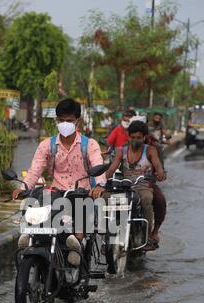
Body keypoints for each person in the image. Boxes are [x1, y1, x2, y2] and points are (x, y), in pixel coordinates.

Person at [13, 98, 106, 265]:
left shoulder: (89, 145)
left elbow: (98, 164)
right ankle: (29, 236)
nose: (65, 124)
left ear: (78, 121)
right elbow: (35, 169)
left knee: (81, 213)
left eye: (69, 120)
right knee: (40, 208)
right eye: (61, 120)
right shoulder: (47, 145)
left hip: (81, 193)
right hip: (56, 193)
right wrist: (23, 187)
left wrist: (99, 185)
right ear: (56, 120)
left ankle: (77, 247)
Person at [105, 120, 165, 250]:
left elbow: (158, 165)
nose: (135, 140)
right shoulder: (121, 151)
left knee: (149, 199)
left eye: (139, 138)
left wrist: (160, 172)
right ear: (128, 136)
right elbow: (112, 168)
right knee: (104, 197)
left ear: (144, 137)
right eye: (133, 137)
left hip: (143, 185)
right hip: (124, 185)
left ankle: (149, 235)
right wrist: (102, 180)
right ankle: (107, 236)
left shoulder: (150, 150)